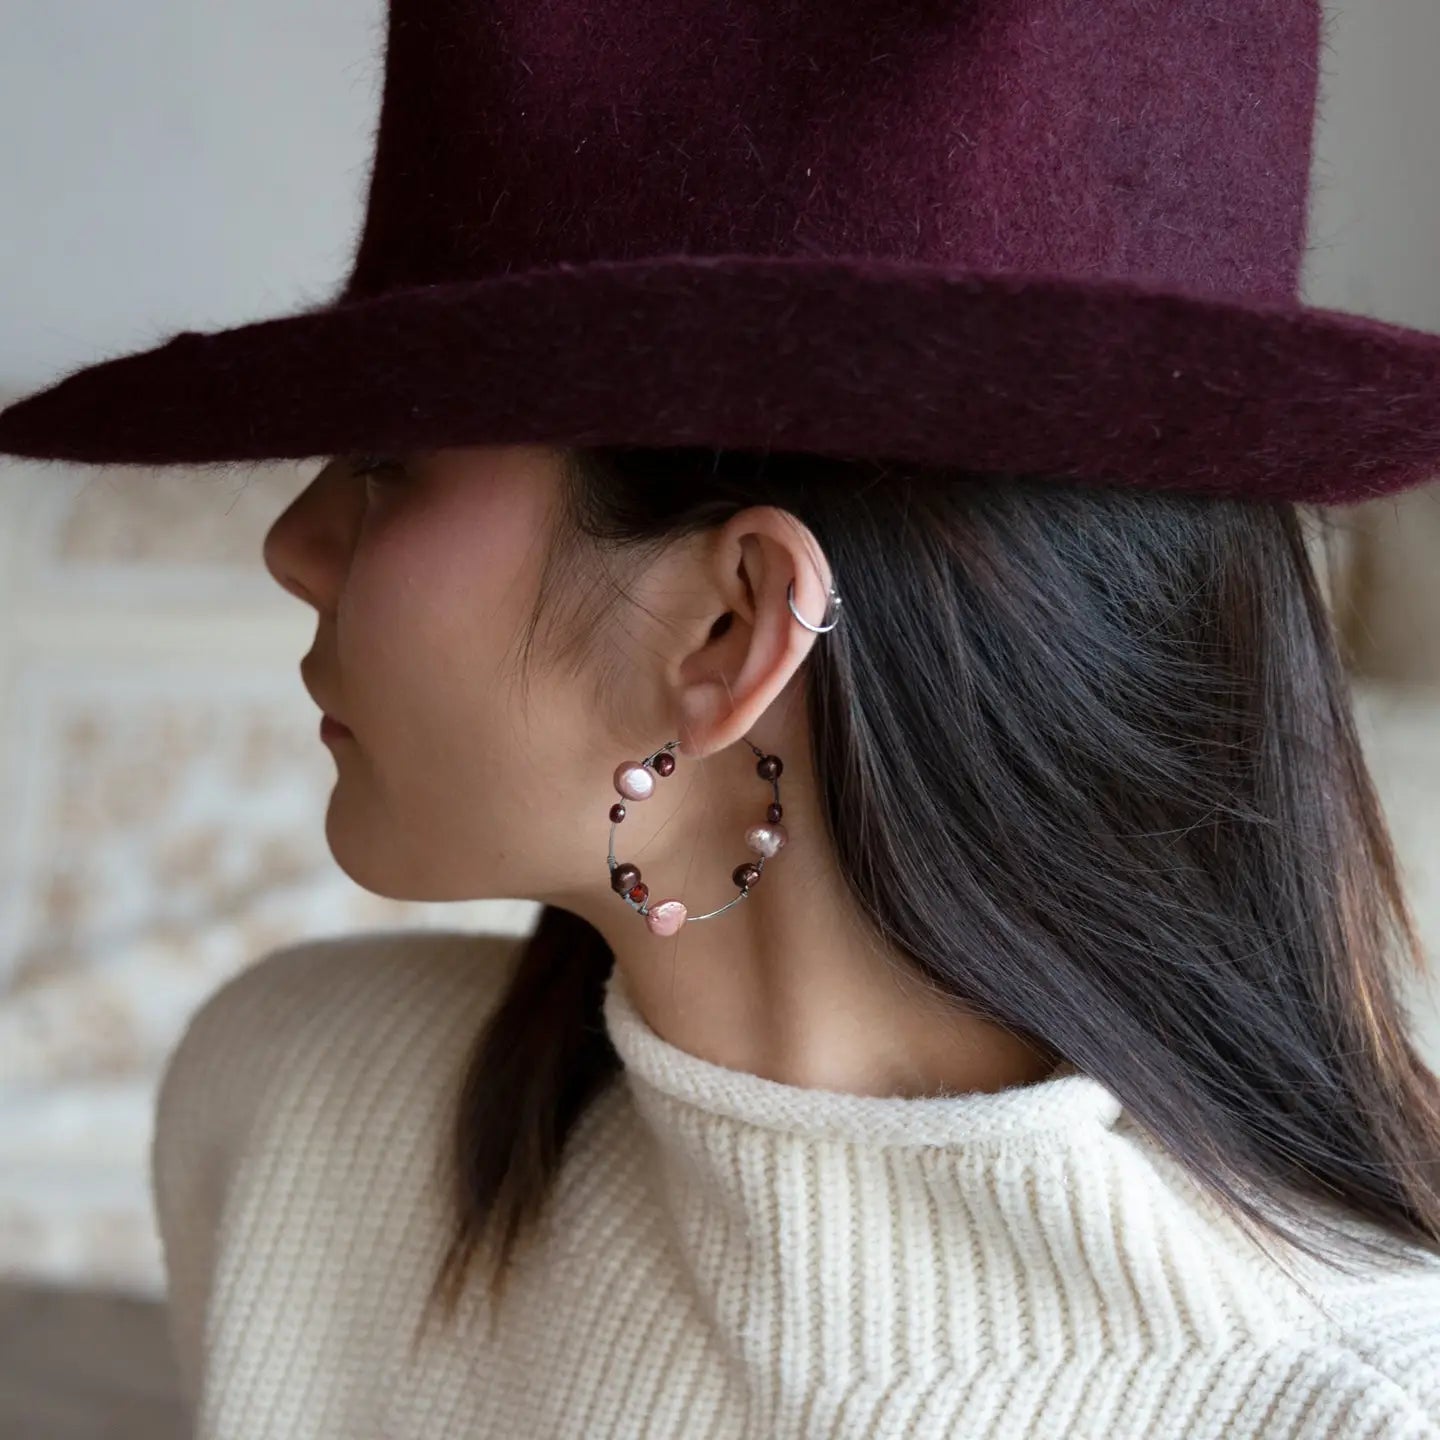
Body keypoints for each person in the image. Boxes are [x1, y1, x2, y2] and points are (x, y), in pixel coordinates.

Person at [4, 2, 1440, 1437]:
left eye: (387, 462)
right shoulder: (302, 1111)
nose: (293, 543)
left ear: (728, 629)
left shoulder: (1344, 1410)